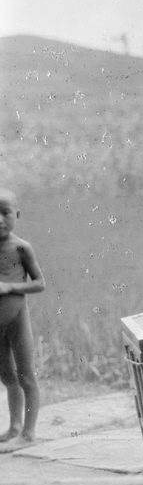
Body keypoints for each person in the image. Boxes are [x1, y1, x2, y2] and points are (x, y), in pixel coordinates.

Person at [0, 188, 46, 452]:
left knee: (26, 376)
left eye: (5, 213)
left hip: (17, 320)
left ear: (16, 214)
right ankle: (14, 427)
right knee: (7, 377)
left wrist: (10, 288)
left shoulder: (21, 247)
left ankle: (29, 433)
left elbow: (40, 283)